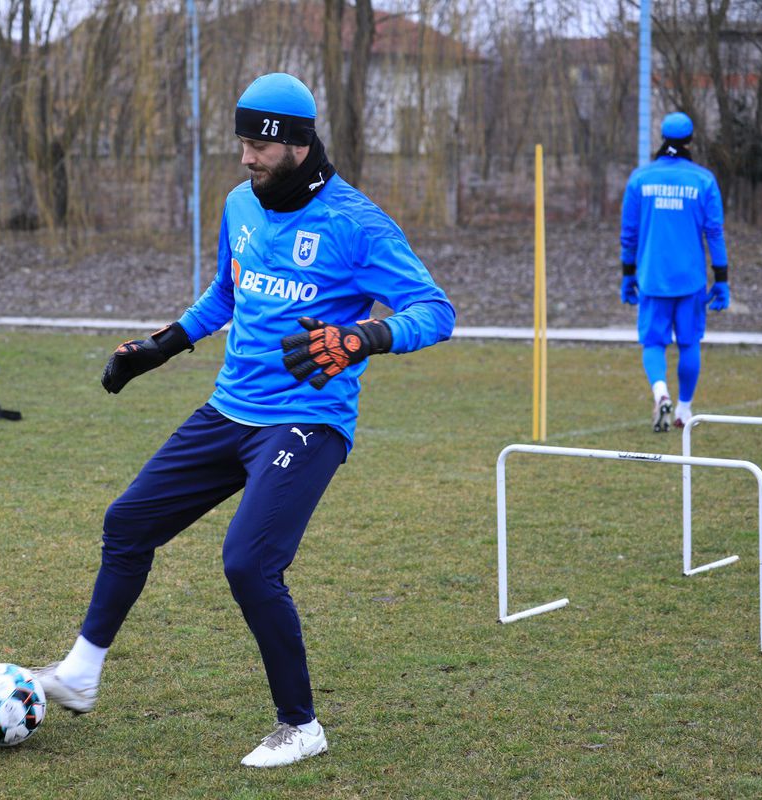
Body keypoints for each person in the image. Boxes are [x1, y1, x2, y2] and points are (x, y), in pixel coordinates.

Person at [33, 73, 455, 768]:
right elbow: (227, 292)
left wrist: (362, 338)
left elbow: (436, 312)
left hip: (307, 420)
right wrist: (160, 346)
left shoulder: (357, 224)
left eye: (259, 147)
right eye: (241, 145)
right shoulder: (241, 203)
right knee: (127, 522)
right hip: (228, 410)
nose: (246, 160)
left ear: (298, 143)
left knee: (249, 562)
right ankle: (79, 674)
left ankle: (301, 726)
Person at [619, 111, 730, 432]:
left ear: (662, 138)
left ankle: (660, 392)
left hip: (652, 279)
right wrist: (721, 279)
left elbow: (629, 233)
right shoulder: (703, 180)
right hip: (691, 280)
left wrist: (628, 275)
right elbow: (715, 233)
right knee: (689, 343)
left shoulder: (640, 179)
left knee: (653, 343)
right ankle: (683, 409)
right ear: (690, 140)